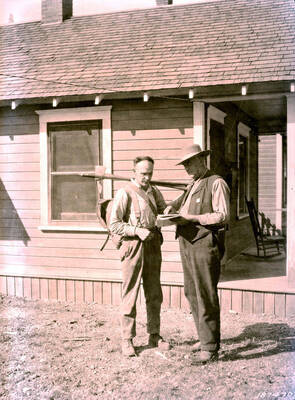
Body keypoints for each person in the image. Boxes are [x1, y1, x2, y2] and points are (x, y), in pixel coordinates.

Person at [165, 144, 230, 362]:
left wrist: (193, 218)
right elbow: (182, 204)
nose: (186, 167)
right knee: (191, 292)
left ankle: (210, 348)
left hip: (205, 243)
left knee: (205, 294)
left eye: (190, 162)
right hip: (186, 242)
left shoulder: (216, 182)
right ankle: (204, 338)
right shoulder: (193, 183)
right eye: (184, 164)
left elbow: (222, 216)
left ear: (203, 160)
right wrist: (170, 209)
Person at [109, 156, 170, 357]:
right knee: (130, 293)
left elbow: (163, 211)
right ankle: (127, 339)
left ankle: (154, 335)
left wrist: (168, 211)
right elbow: (114, 224)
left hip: (152, 244)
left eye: (150, 173)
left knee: (154, 293)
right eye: (143, 173)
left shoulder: (154, 191)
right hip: (133, 246)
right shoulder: (124, 193)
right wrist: (136, 230)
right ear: (133, 172)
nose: (147, 177)